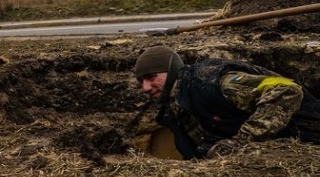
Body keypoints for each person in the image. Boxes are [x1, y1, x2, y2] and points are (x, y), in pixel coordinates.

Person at [134, 44, 320, 160]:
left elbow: (287, 90)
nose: (146, 88)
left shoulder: (211, 82)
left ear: (171, 70)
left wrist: (240, 143)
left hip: (309, 136)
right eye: (141, 81)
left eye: (151, 77)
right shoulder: (174, 110)